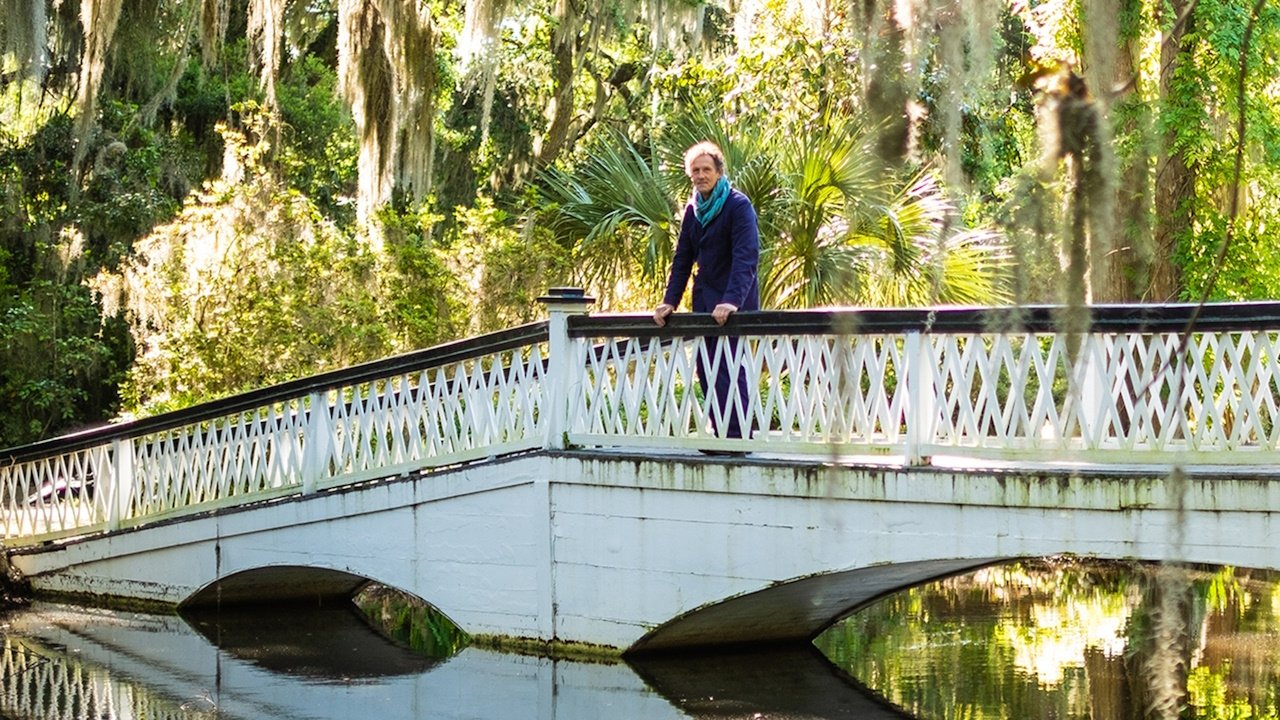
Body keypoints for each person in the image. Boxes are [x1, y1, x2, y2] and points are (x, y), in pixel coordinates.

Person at [653, 141, 760, 440]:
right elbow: (683, 259)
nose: (701, 175)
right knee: (706, 367)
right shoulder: (693, 210)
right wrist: (669, 302)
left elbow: (746, 257)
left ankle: (738, 436)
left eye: (706, 169)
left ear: (718, 172)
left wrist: (731, 301)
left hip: (734, 300)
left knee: (728, 365)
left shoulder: (738, 206)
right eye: (696, 171)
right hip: (705, 300)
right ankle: (721, 430)